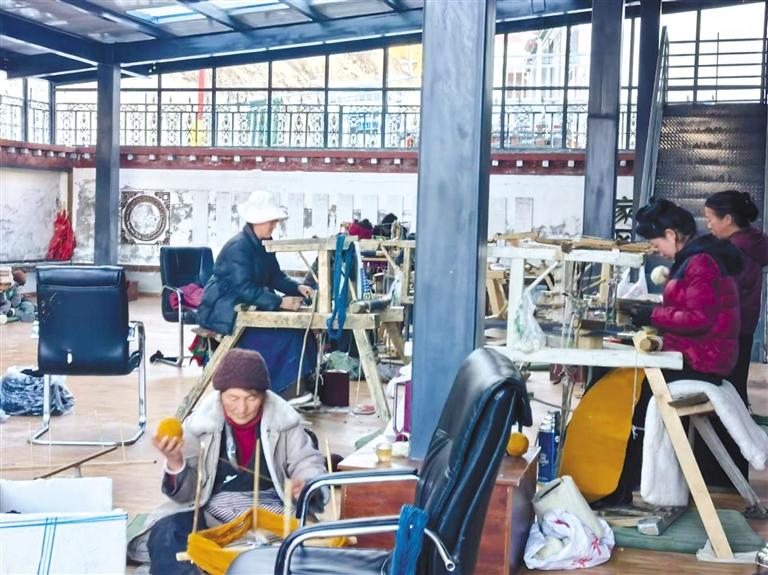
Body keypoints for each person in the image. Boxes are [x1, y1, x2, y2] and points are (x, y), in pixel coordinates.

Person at [128, 349, 327, 575]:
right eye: (233, 398)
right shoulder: (198, 426)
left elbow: (307, 461)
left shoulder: (285, 422)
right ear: (220, 395)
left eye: (251, 398)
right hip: (211, 515)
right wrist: (175, 462)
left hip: (270, 516)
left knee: (308, 549)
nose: (242, 408)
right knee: (167, 533)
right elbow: (186, 496)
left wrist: (306, 484)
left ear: (264, 395)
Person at [605, 199, 744, 502]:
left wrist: (651, 315)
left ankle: (623, 486)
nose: (656, 251)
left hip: (704, 358)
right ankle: (623, 484)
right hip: (705, 354)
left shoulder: (701, 262)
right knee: (634, 389)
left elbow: (698, 318)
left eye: (656, 243)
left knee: (637, 397)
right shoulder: (697, 258)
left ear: (671, 234)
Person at [197, 190, 316, 395]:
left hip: (249, 305)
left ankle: (301, 388)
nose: (274, 225)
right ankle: (286, 391)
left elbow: (276, 277)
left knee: (300, 330)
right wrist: (280, 302)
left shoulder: (263, 245)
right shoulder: (238, 247)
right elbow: (244, 288)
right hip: (226, 311)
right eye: (272, 221)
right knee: (287, 336)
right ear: (258, 220)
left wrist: (297, 288)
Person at [704, 190, 768, 405]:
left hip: (729, 330)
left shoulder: (735, 250)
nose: (708, 225)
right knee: (736, 387)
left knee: (725, 393)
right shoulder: (754, 242)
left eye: (710, 219)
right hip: (744, 327)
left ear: (728, 219)